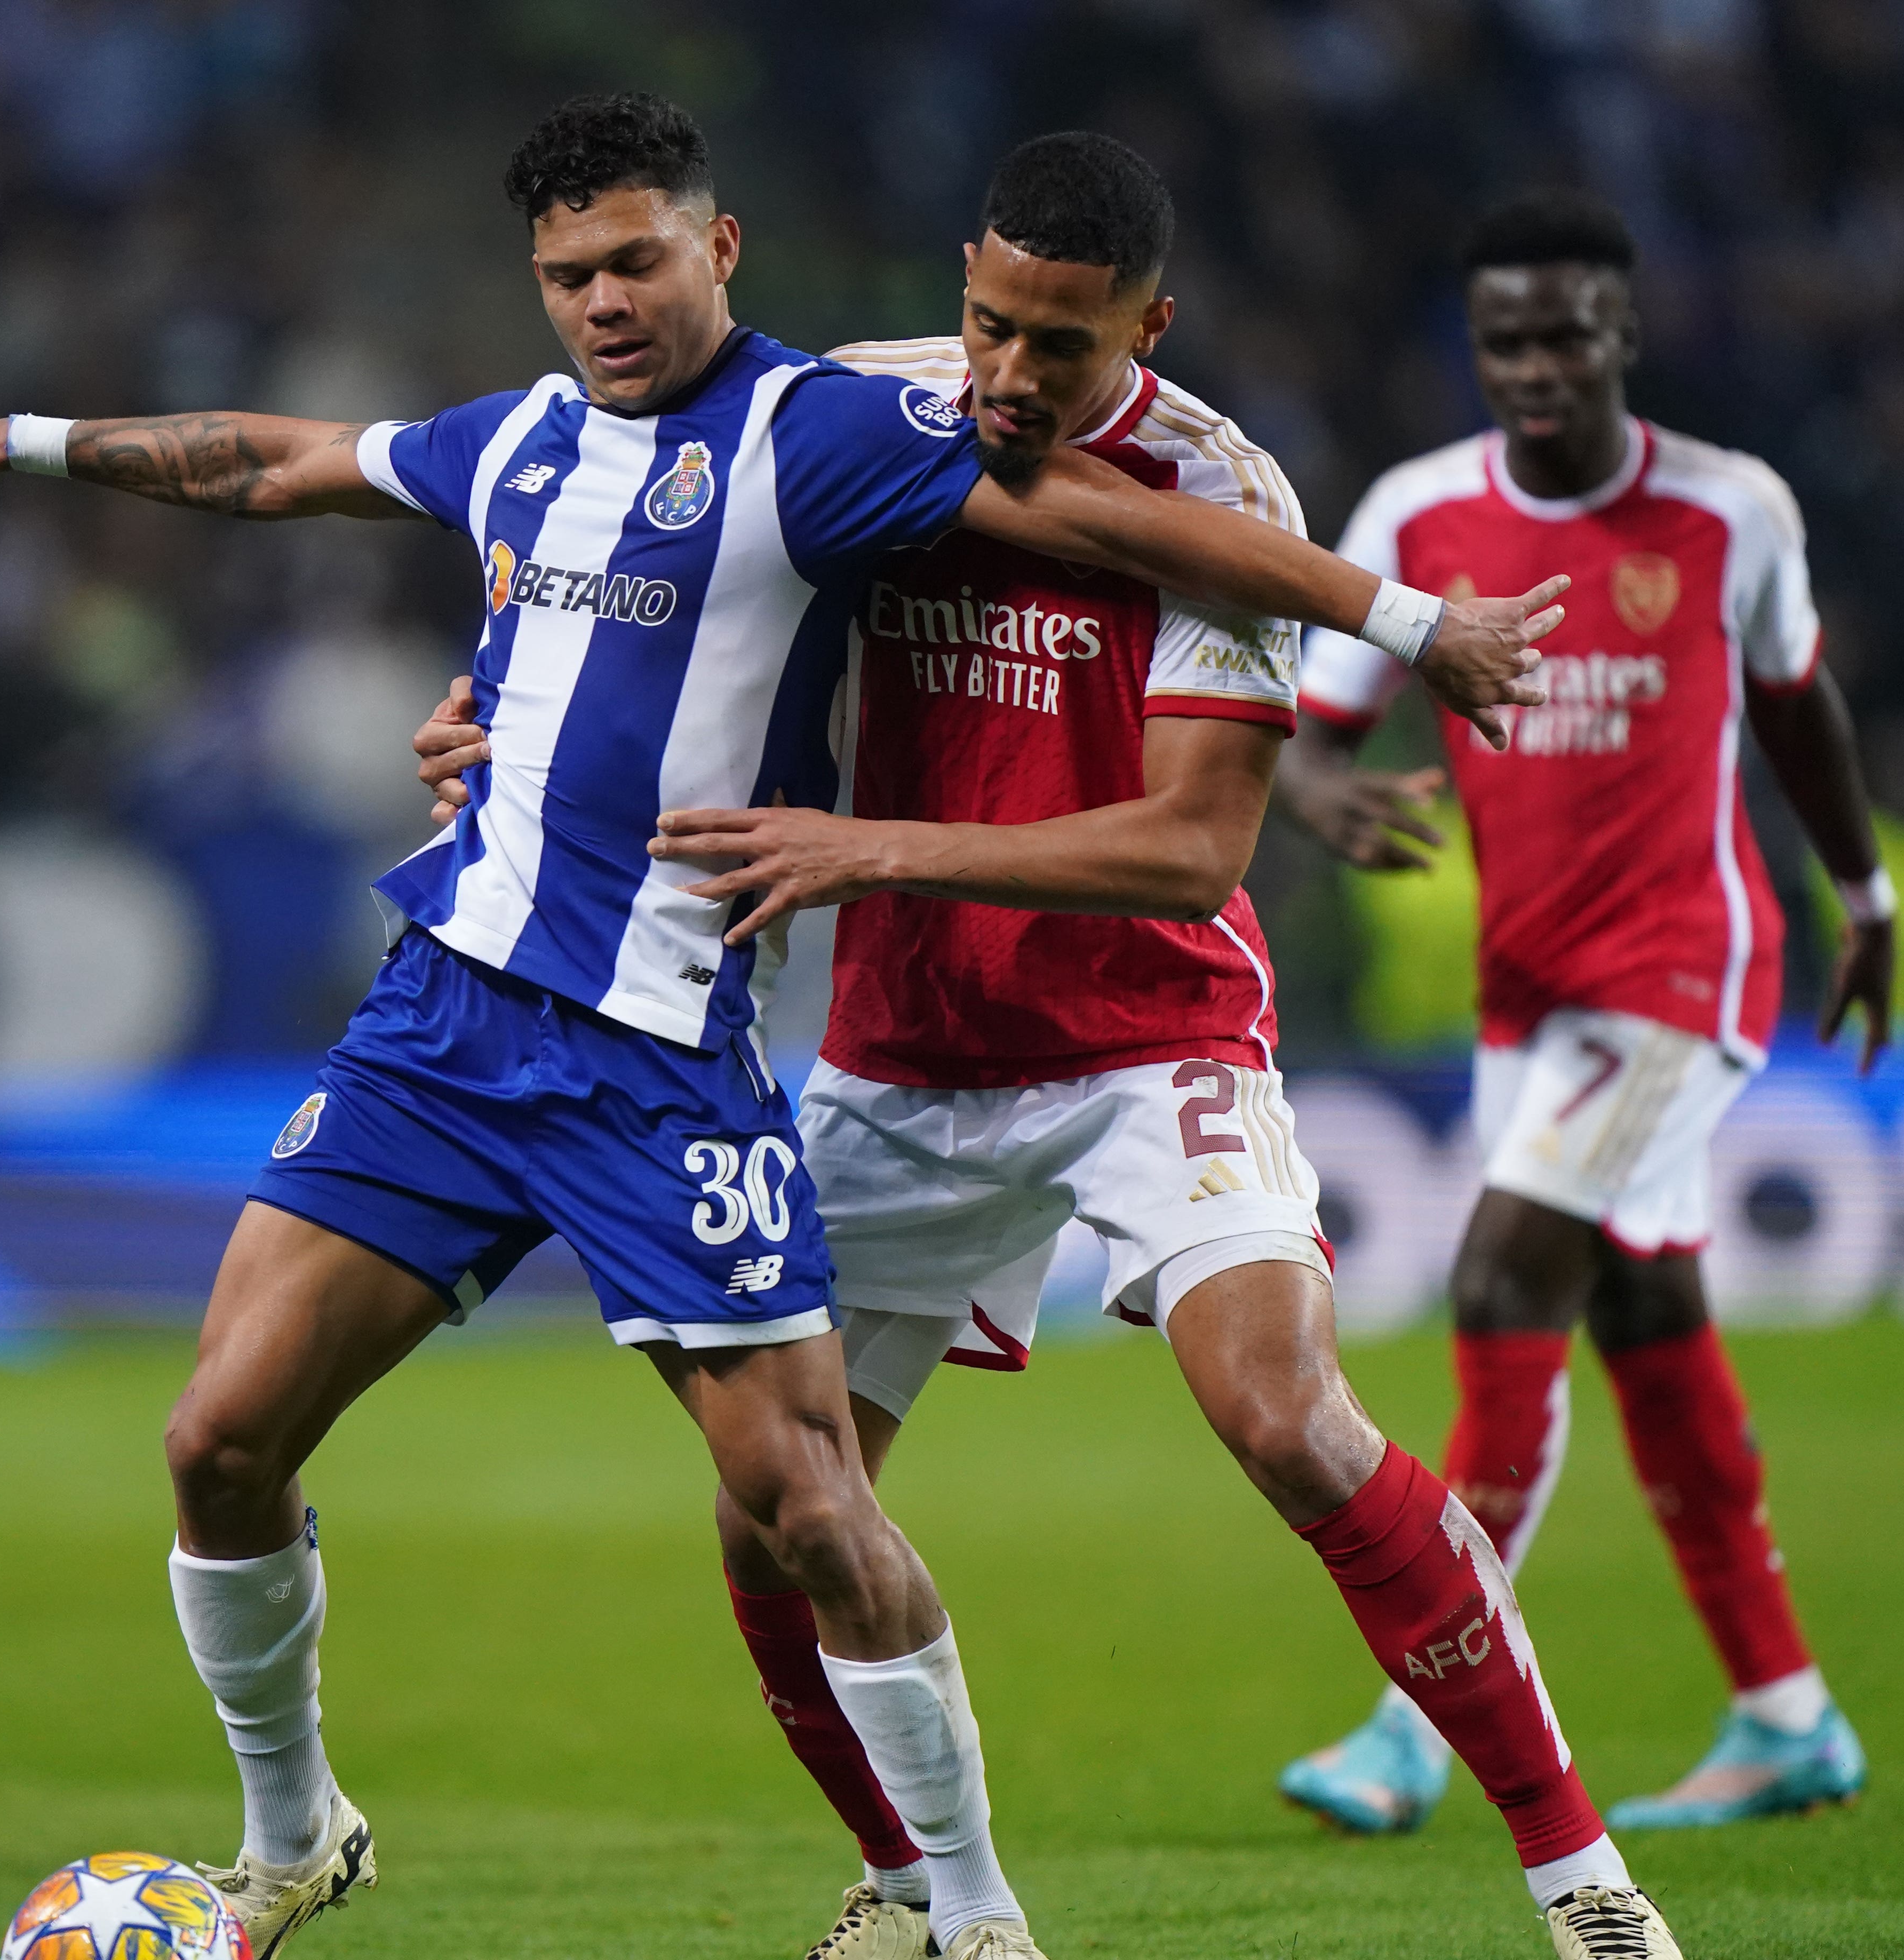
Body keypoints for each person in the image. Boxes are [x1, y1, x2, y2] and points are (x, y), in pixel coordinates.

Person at [0, 94, 1556, 1960]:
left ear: (718, 248)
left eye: (638, 259)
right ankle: (295, 1834)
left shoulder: (826, 431)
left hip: (655, 1063)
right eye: (569, 273)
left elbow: (1116, 520)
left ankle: (971, 1920)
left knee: (804, 1508)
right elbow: (271, 462)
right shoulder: (523, 441)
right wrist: (26, 442)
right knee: (218, 1437)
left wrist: (1409, 617)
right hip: (445, 1022)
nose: (605, 300)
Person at [418, 133, 1684, 1960]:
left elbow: (1188, 853)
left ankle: (1588, 1889)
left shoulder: (1223, 493)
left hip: (1142, 1037)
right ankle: (918, 1891)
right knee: (777, 1511)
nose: (1010, 378)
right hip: (905, 1050)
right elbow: (635, 566)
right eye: (989, 324)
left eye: (1061, 349)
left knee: (1293, 1425)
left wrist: (874, 848)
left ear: (1146, 329)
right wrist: (500, 711)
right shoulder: (859, 414)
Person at [1275, 189, 1885, 1838]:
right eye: (1505, 341)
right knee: (1646, 1327)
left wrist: (1869, 894)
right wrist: (1321, 793)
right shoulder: (1414, 509)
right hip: (1525, 989)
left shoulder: (1727, 508)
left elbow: (1798, 702)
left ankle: (1417, 1724)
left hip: (1686, 973)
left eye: (1566, 336)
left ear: (1625, 334)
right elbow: (1314, 721)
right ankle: (1788, 1711)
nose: (1536, 367)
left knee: (1498, 1275)